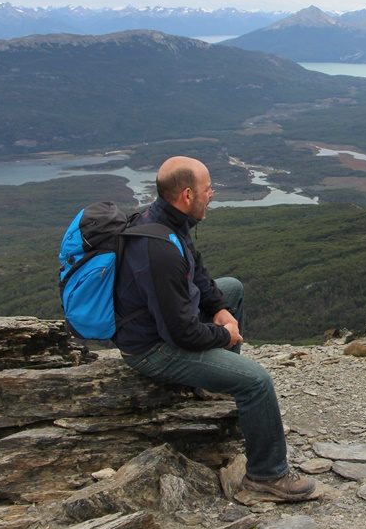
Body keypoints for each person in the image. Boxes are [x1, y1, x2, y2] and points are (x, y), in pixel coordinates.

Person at [114, 155, 316, 501]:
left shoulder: (166, 220)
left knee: (231, 287)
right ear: (188, 195)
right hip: (151, 349)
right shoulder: (158, 249)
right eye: (208, 189)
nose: (214, 194)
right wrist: (226, 335)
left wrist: (220, 309)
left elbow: (199, 273)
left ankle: (216, 386)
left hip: (162, 327)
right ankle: (266, 477)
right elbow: (180, 334)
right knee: (256, 381)